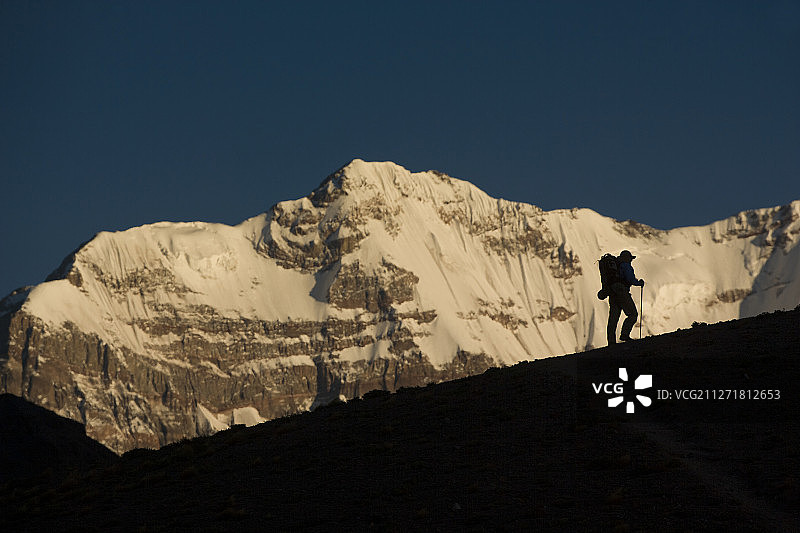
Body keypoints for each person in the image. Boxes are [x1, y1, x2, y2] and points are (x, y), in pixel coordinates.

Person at [607, 250, 644, 344]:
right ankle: (624, 335)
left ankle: (611, 342)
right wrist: (639, 283)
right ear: (627, 258)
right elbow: (630, 279)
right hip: (622, 292)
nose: (631, 261)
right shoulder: (626, 266)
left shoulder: (615, 267)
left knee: (613, 319)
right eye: (630, 259)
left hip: (613, 294)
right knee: (632, 314)